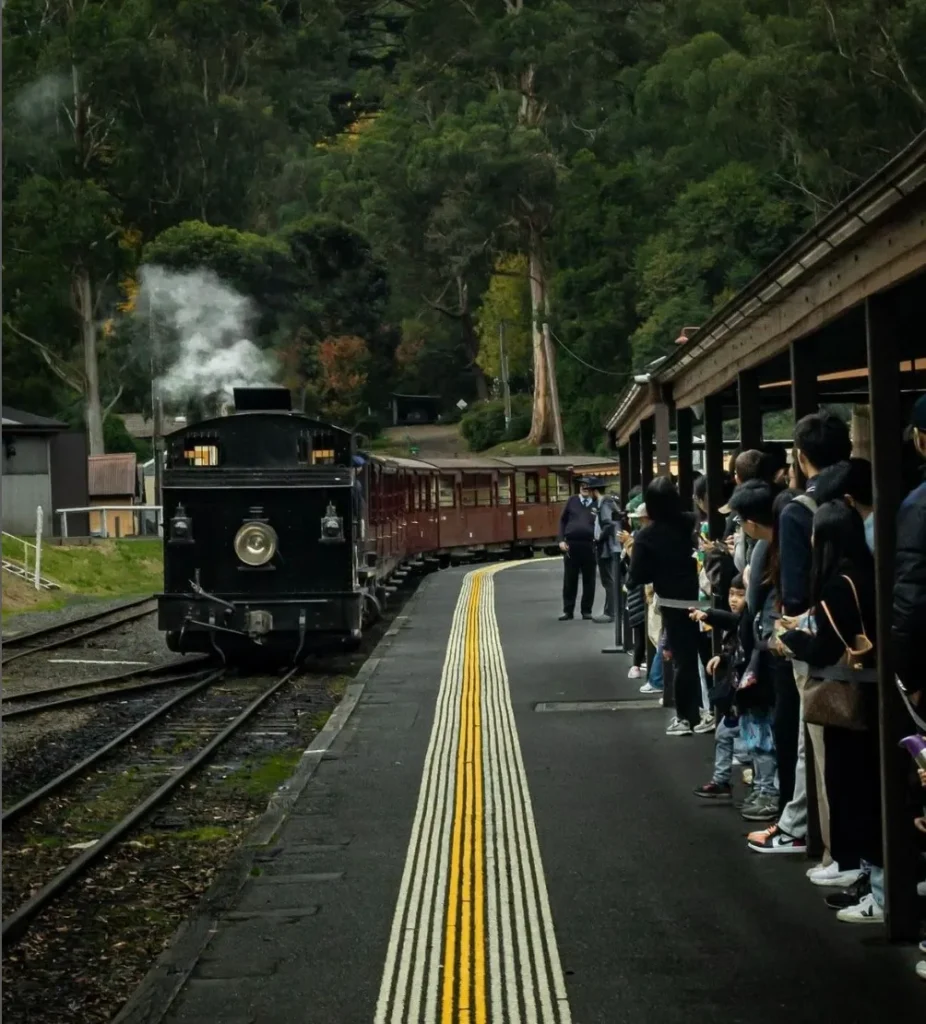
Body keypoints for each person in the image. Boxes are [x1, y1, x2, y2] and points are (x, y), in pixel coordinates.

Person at [775, 501, 883, 921]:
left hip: (849, 699)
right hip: (872, 697)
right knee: (863, 788)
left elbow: (824, 649)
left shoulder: (839, 585)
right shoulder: (869, 571)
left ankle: (871, 882)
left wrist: (791, 640)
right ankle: (865, 878)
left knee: (851, 787)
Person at [625, 476, 701, 736]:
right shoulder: (692, 521)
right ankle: (710, 711)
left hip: (673, 603)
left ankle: (686, 716)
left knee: (683, 662)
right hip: (704, 598)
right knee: (706, 658)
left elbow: (638, 575)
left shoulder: (646, 536)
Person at [725, 479, 782, 824]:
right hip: (766, 645)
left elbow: (754, 598)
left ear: (750, 523)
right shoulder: (781, 538)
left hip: (767, 647)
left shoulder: (765, 548)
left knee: (764, 729)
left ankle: (770, 792)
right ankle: (768, 789)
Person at [690, 574, 749, 799]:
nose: (734, 600)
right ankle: (722, 780)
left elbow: (733, 625)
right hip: (739, 691)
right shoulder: (743, 621)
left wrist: (708, 614)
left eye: (740, 595)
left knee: (758, 746)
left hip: (747, 692)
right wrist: (723, 658)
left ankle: (763, 789)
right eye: (732, 595)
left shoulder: (748, 620)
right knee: (726, 734)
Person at [557, 476, 598, 620]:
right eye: (582, 486)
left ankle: (586, 610)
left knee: (589, 579)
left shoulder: (596, 503)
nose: (584, 488)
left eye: (587, 486)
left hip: (589, 545)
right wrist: (561, 540)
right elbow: (562, 521)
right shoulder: (572, 501)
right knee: (570, 579)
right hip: (571, 544)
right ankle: (568, 611)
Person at [589, 477, 619, 623]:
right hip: (608, 545)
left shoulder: (605, 503)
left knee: (608, 579)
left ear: (595, 491)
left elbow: (608, 524)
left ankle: (611, 612)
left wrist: (599, 537)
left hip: (606, 546)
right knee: (608, 579)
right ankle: (609, 610)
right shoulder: (606, 502)